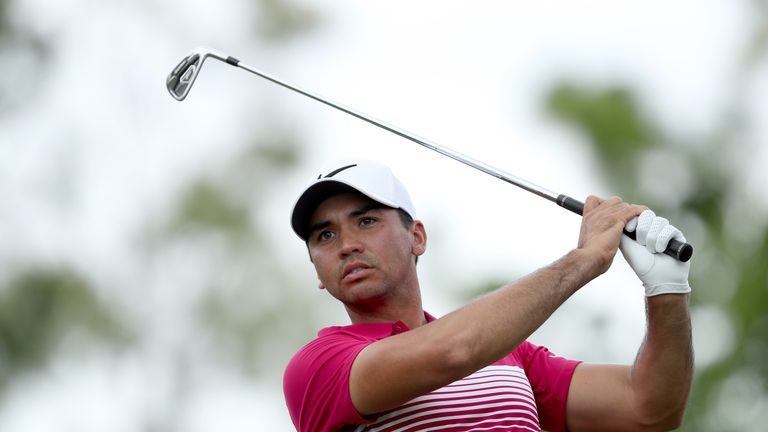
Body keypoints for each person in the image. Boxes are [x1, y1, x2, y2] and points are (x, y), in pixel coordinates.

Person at [283, 160, 693, 432]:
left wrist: (667, 291)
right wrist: (583, 260)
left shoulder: (509, 354)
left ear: (417, 237)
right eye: (325, 235)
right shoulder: (318, 366)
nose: (347, 244)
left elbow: (650, 407)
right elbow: (453, 352)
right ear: (317, 270)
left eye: (366, 221)